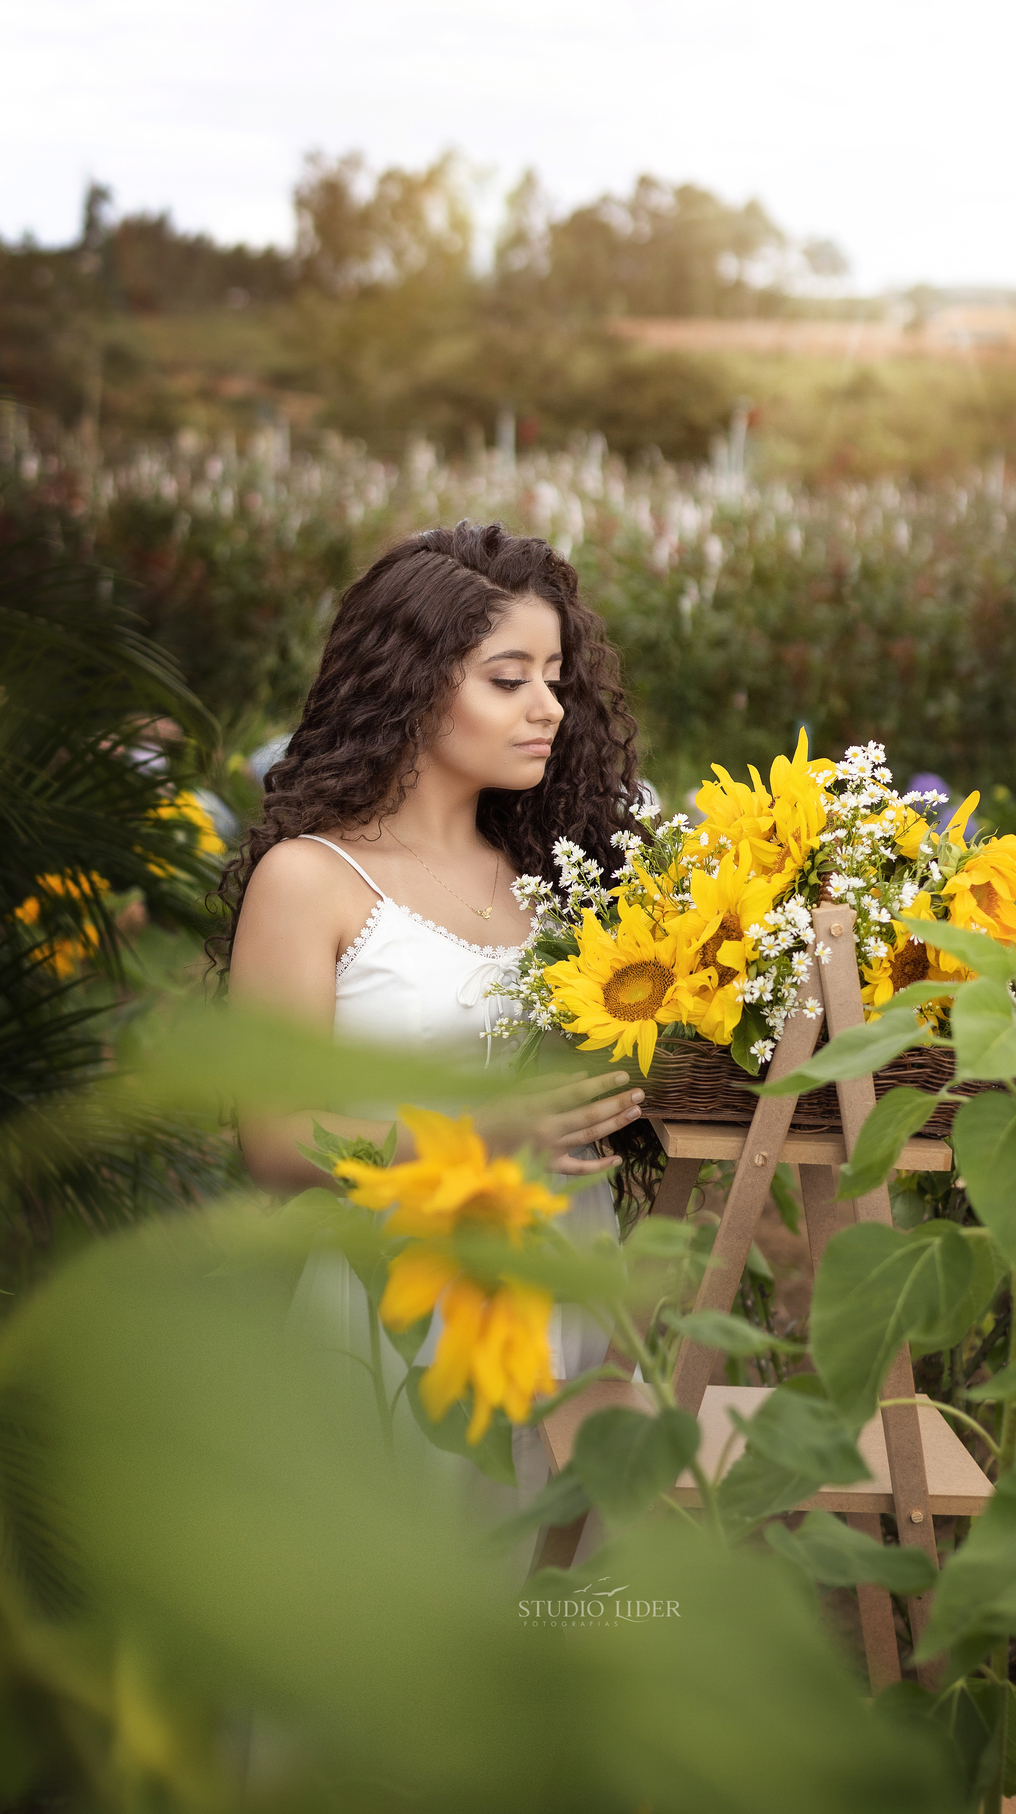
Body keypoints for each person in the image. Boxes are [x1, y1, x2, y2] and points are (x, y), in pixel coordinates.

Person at [214, 521, 646, 1520]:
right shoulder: (314, 881)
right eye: (509, 679)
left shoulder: (558, 884)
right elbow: (274, 1140)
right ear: (408, 685)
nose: (548, 707)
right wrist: (487, 1130)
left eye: (555, 676)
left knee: (552, 1608)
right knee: (396, 1613)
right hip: (396, 1305)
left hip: (568, 1280)